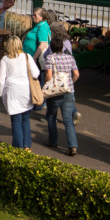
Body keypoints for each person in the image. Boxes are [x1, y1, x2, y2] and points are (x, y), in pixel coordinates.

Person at [0, 36, 39, 150]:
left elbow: (1, 79)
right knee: (25, 118)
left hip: (12, 91)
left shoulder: (5, 59)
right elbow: (36, 73)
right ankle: (27, 145)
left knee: (15, 119)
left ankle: (18, 147)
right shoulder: (27, 56)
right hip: (25, 90)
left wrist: (1, 93)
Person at [43, 27, 81, 155]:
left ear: (51, 47)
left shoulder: (50, 58)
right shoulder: (70, 58)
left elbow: (48, 75)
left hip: (55, 93)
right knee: (68, 121)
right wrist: (70, 83)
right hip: (69, 92)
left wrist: (46, 84)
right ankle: (73, 146)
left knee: (52, 117)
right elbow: (76, 74)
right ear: (63, 48)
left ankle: (53, 141)